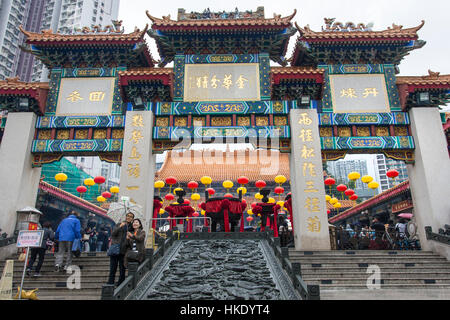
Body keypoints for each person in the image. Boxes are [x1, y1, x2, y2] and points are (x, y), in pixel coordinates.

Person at [107, 212, 134, 286]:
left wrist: (129, 238)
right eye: (128, 216)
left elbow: (132, 240)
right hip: (116, 248)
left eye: (131, 217)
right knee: (113, 268)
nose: (129, 217)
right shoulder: (119, 224)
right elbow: (113, 234)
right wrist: (120, 227)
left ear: (132, 219)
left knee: (122, 268)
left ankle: (120, 283)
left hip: (124, 250)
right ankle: (110, 282)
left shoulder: (132, 228)